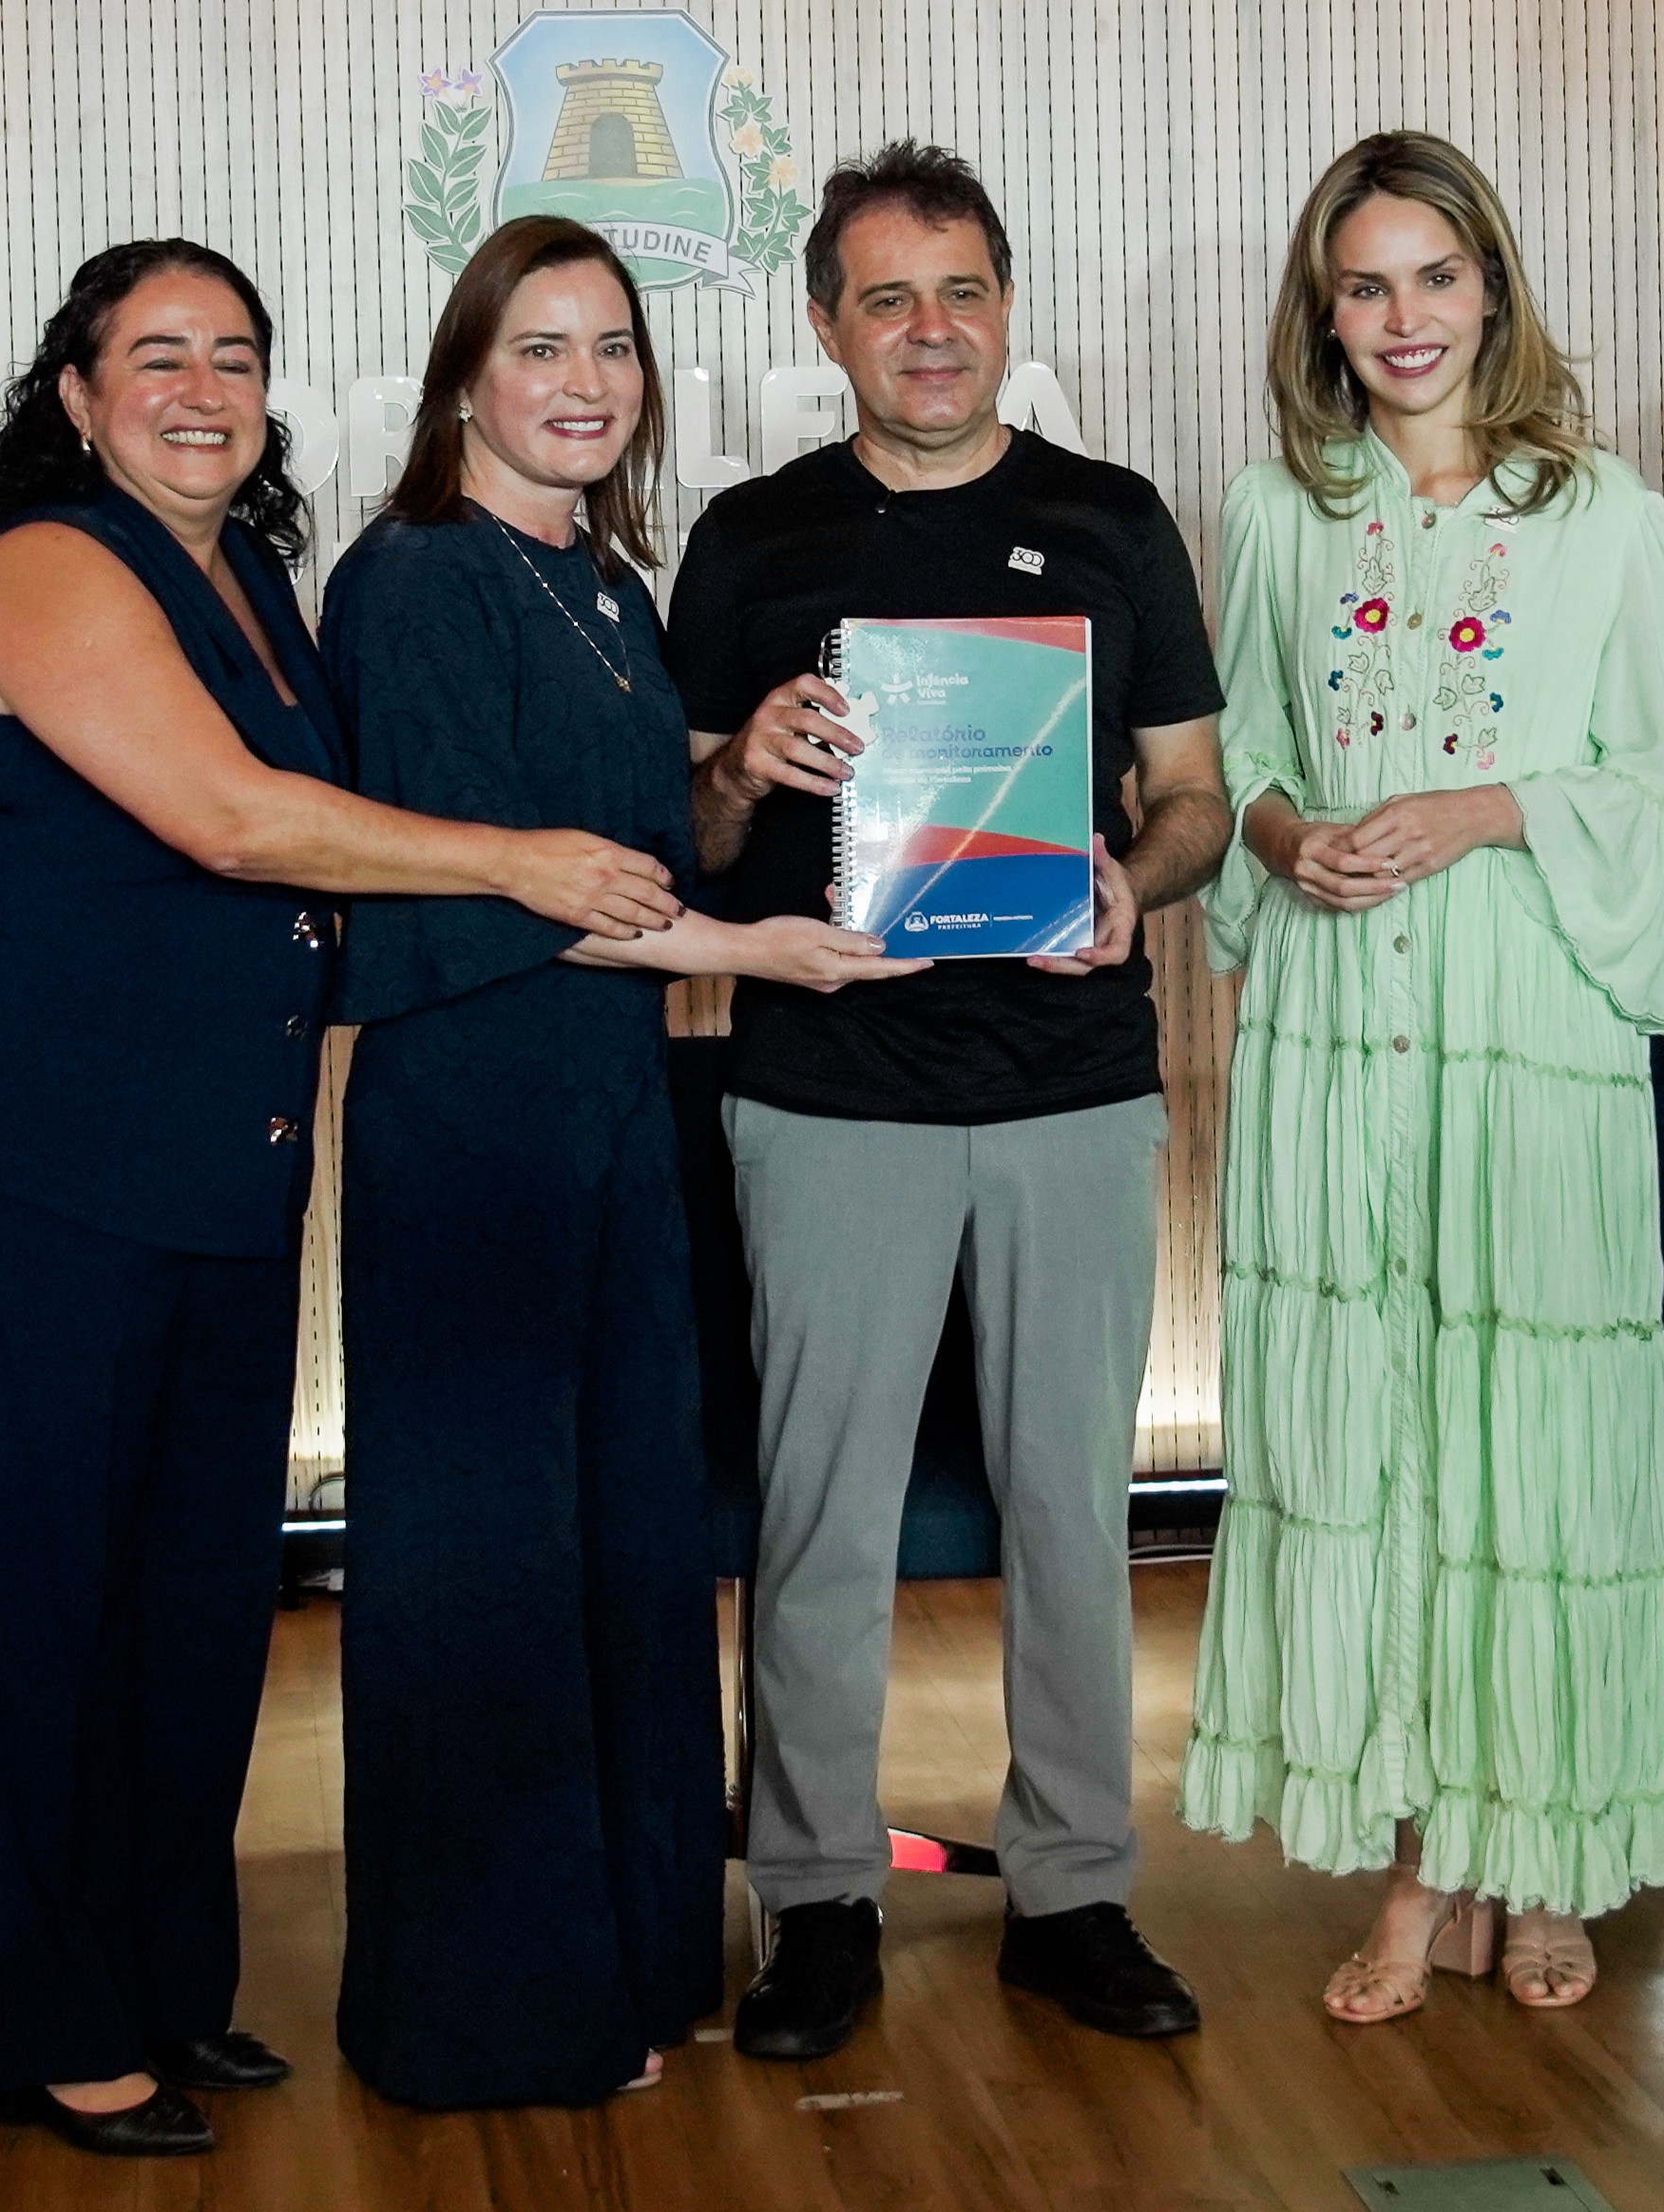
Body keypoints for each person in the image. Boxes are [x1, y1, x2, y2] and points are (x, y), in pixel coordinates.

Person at [0, 237, 685, 2157]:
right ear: (72, 390)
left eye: (233, 354)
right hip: (32, 1166)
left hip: (215, 1165)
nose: (200, 388)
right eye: (156, 356)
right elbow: (235, 820)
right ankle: (48, 2013)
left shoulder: (242, 577)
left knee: (185, 1601)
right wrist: (526, 864)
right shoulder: (50, 562)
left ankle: (162, 1979)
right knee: (32, 1602)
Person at [322, 218, 924, 2106]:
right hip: (472, 1113)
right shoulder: (413, 579)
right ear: (462, 378)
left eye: (612, 347)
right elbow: (514, 884)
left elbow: (637, 825)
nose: (585, 380)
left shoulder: (602, 577)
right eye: (540, 346)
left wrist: (736, 759)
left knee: (619, 1543)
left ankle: (630, 1957)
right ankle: (490, 2008)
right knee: (489, 1561)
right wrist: (752, 951)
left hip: (596, 1115)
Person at [671, 140, 1232, 2063]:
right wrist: (740, 758)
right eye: (887, 296)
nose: (932, 329)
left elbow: (1196, 797)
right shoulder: (750, 536)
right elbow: (682, 829)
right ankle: (814, 1897)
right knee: (821, 1518)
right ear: (825, 322)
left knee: (1079, 1511)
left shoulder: (1110, 516)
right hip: (826, 1093)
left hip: (1071, 1084)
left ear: (1007, 303)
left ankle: (1074, 1886)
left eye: (963, 289)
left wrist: (1124, 883)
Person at [1181, 131, 1664, 2022]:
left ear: (1490, 285)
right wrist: (1277, 832)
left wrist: (1474, 806)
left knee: (1534, 1458)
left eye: (1433, 276)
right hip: (1340, 1030)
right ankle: (1420, 1873)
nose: (1401, 318)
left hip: (1530, 1026)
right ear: (1319, 307)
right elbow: (1235, 739)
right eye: (1364, 282)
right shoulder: (1272, 508)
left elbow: (1656, 801)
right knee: (1382, 1444)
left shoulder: (1609, 521)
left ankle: (1544, 1847)